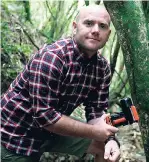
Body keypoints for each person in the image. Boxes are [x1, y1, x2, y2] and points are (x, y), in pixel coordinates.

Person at [1, 4, 121, 162]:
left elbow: (96, 110)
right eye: (89, 23)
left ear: (108, 34)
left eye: (103, 26)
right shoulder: (52, 58)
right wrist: (94, 132)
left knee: (106, 149)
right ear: (75, 27)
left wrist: (110, 139)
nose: (96, 30)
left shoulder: (102, 68)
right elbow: (45, 117)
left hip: (51, 131)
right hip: (16, 133)